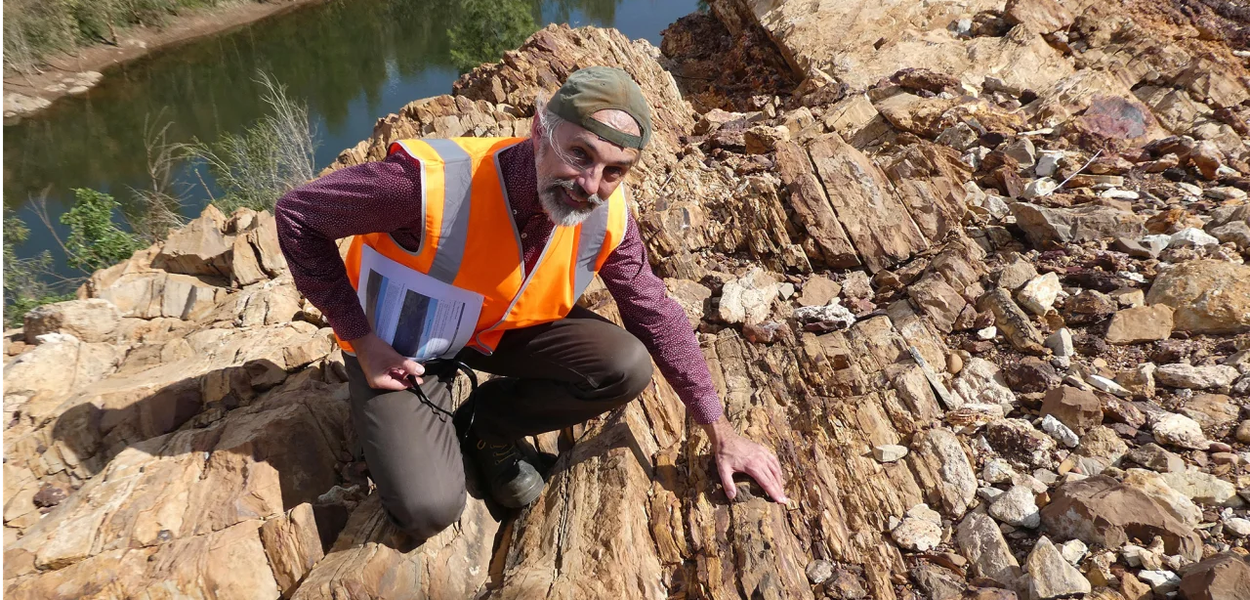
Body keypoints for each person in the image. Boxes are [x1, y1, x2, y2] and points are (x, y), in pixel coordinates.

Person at [275, 66, 788, 542]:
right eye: (580, 154)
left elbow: (653, 309)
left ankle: (488, 426)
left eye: (614, 171)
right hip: (400, 348)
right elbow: (298, 216)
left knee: (625, 365)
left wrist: (719, 429)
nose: (590, 186)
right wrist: (362, 342)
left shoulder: (608, 215)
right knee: (428, 506)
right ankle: (414, 425)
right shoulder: (426, 185)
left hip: (495, 331)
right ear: (540, 130)